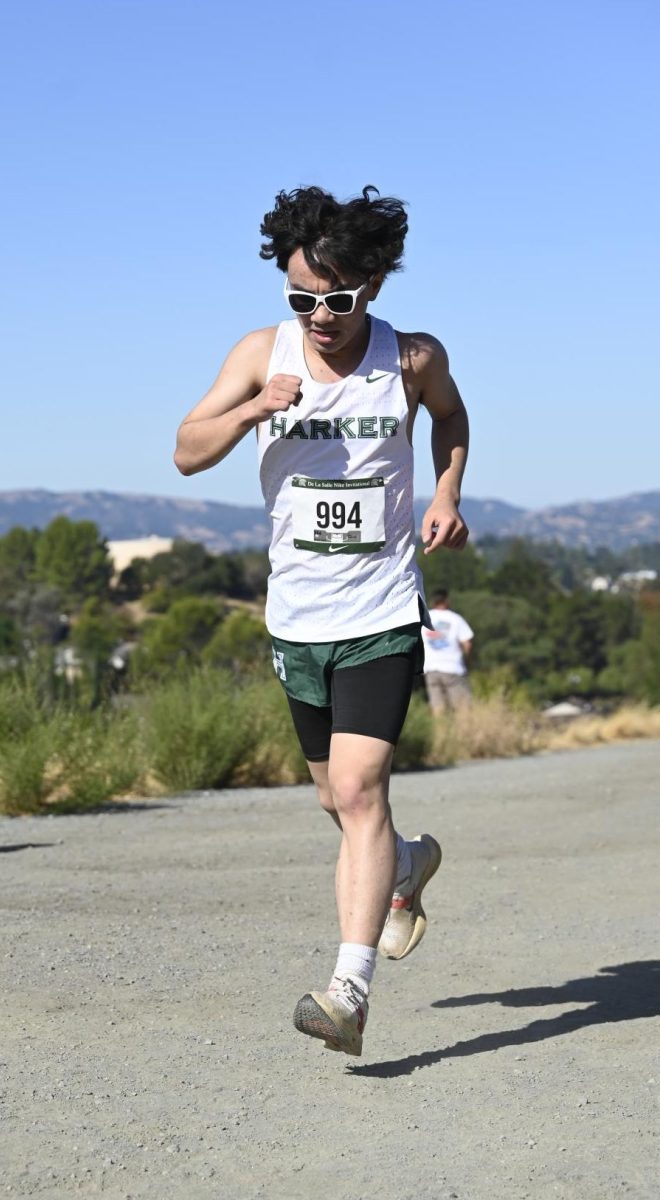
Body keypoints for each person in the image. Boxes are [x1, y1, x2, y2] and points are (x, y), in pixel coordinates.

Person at [174, 185, 469, 1057]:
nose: (318, 316)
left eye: (335, 299)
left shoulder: (410, 358)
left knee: (357, 790)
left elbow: (449, 418)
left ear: (371, 284)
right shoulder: (260, 354)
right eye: (301, 298)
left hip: (381, 611)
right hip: (295, 620)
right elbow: (187, 450)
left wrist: (446, 491)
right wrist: (251, 409)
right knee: (331, 799)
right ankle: (407, 864)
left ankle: (349, 991)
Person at [422, 588, 474, 712]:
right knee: (463, 708)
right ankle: (464, 731)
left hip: (431, 669)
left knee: (438, 709)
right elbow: (467, 644)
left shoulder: (425, 618)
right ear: (446, 600)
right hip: (452, 667)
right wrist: (468, 661)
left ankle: (441, 731)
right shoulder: (455, 619)